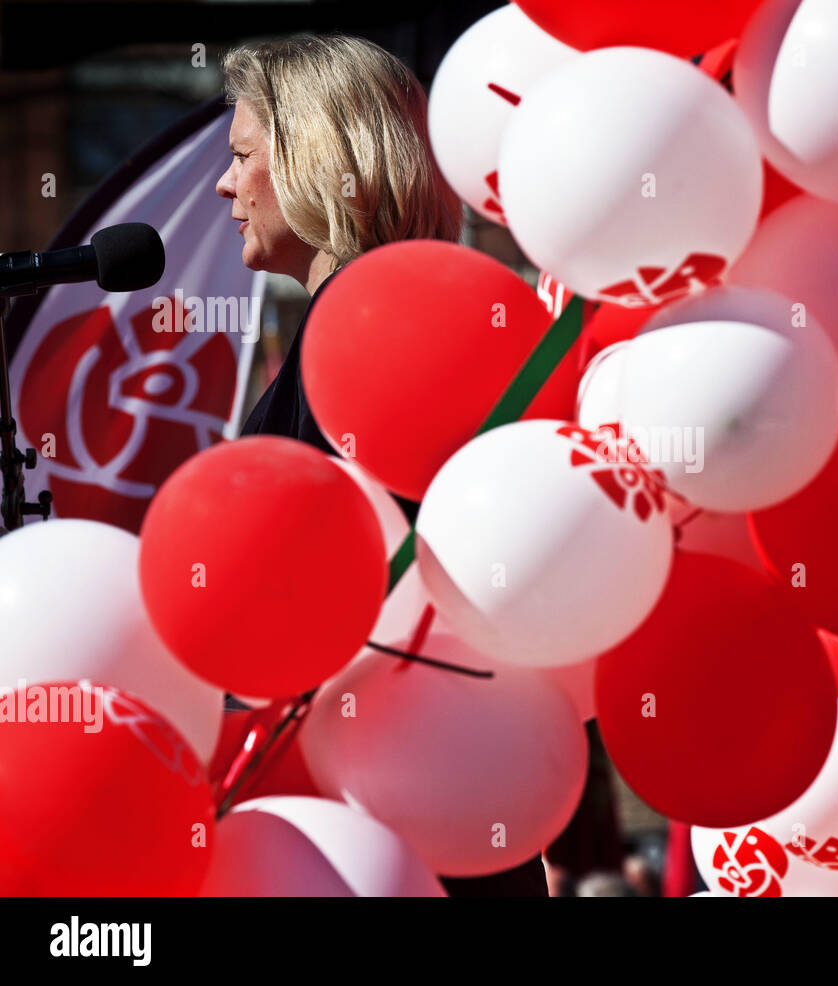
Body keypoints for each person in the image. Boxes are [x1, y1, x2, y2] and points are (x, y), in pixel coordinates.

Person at [216, 33, 547, 898]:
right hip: (446, 799)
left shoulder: (366, 343)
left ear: (319, 161)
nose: (224, 185)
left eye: (243, 156)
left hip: (384, 811)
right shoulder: (402, 326)